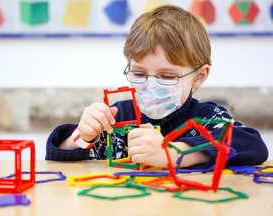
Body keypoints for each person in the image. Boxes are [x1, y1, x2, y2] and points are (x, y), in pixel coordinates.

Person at [45, 5, 268, 169]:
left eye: (167, 76)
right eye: (139, 74)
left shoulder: (207, 118)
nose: (151, 85)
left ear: (199, 77)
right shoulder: (119, 116)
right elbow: (58, 157)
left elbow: (251, 144)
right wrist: (81, 136)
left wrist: (174, 154)